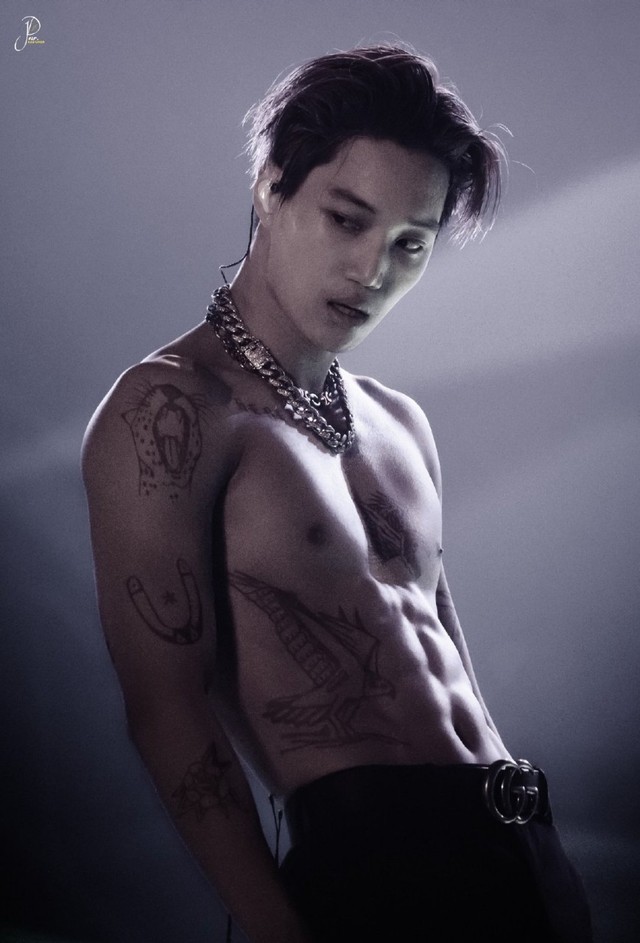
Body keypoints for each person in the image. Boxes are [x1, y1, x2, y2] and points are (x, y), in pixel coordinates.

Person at [82, 44, 592, 943]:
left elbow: (451, 669)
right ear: (271, 187)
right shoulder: (173, 410)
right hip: (374, 872)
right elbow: (166, 708)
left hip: (524, 853)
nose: (372, 270)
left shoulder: (400, 422)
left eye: (410, 244)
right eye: (347, 220)